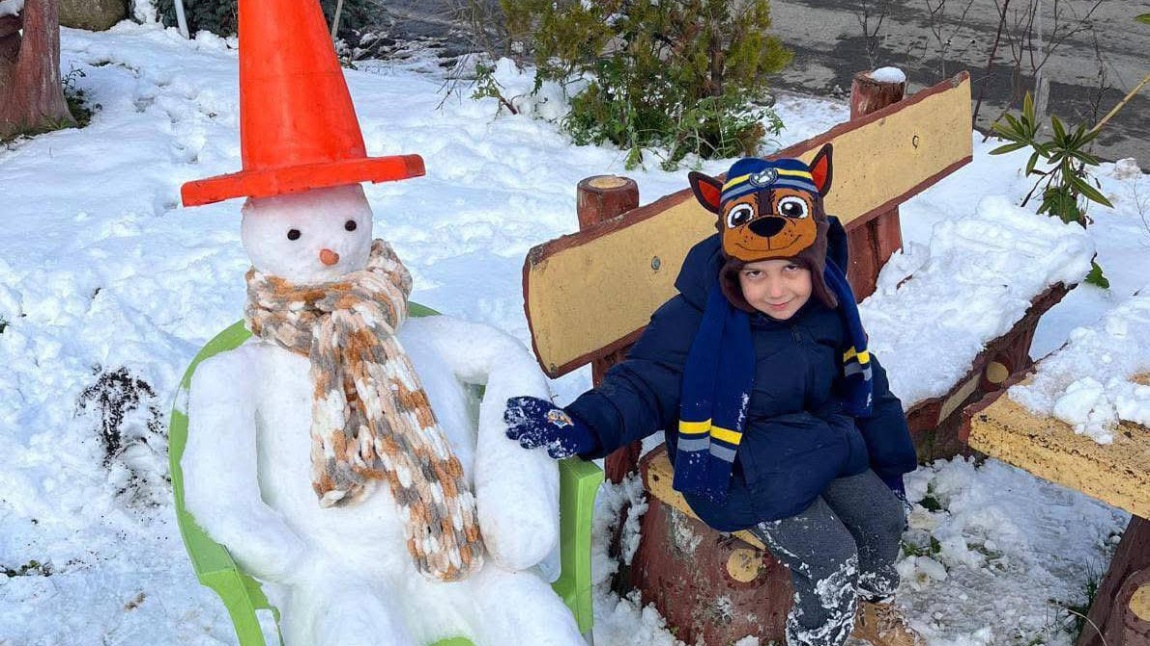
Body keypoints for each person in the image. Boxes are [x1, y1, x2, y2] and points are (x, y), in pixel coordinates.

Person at [503, 145, 925, 646]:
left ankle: (873, 606)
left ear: (814, 261)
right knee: (829, 554)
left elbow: (865, 383)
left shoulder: (826, 307)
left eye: (791, 268)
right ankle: (820, 637)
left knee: (883, 519)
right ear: (732, 269)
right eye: (756, 273)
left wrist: (891, 460)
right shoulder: (697, 320)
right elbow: (645, 381)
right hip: (739, 466)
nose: (776, 290)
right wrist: (583, 424)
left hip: (820, 443)